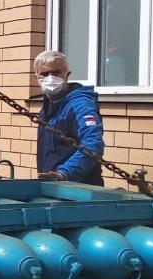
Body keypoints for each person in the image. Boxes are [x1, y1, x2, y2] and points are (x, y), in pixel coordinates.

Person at [34, 50, 104, 185]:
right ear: (36, 77)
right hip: (54, 186)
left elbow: (93, 143)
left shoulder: (80, 104)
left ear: (67, 75)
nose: (50, 78)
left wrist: (65, 173)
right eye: (44, 74)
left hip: (81, 189)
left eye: (56, 73)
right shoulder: (49, 106)